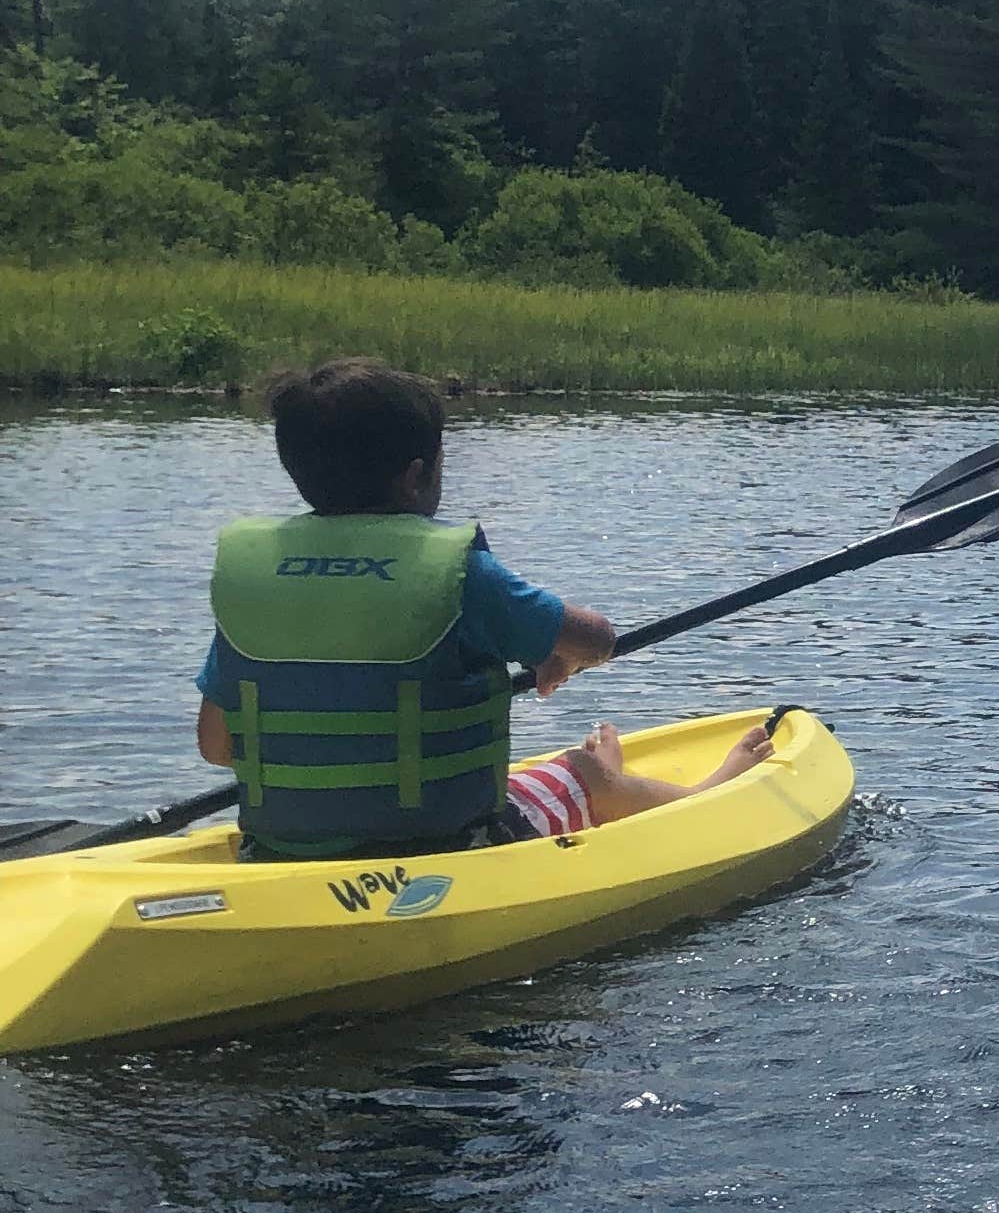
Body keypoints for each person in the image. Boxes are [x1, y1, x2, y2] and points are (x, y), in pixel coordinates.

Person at [197, 358, 772, 858]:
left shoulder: (254, 582)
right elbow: (596, 638)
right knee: (582, 771)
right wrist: (563, 655)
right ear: (417, 476)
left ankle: (613, 778)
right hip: (448, 846)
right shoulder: (457, 573)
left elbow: (216, 748)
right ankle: (702, 793)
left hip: (279, 847)